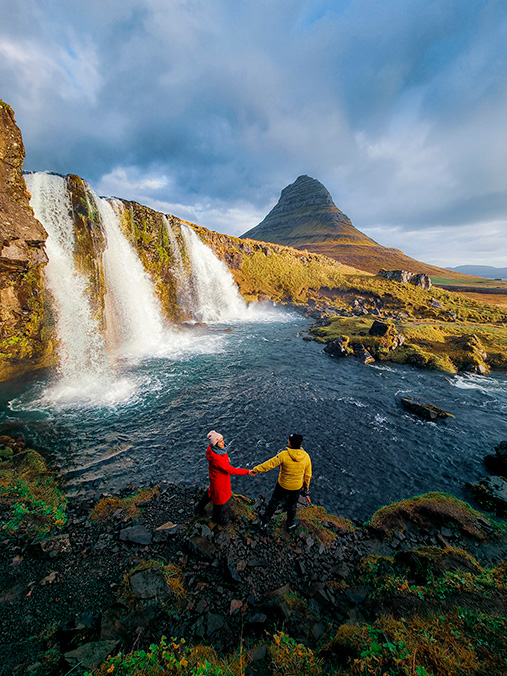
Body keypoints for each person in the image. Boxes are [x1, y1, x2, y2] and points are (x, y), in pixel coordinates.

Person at [252, 433, 312, 531]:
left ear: (291, 443)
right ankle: (290, 524)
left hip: (283, 485)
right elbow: (308, 475)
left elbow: (269, 464)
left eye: (289, 440)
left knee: (274, 503)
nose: (287, 441)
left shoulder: (284, 455)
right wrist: (306, 486)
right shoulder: (306, 456)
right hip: (296, 487)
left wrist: (255, 470)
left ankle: (264, 522)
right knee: (292, 505)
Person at [195, 430, 253, 525]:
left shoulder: (214, 450)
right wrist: (247, 472)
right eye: (221, 441)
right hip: (220, 480)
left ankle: (199, 507)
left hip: (216, 477)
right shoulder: (217, 458)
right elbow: (231, 470)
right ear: (216, 443)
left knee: (211, 492)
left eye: (223, 440)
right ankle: (217, 516)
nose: (223, 443)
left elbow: (223, 461)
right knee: (219, 499)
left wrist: (226, 460)